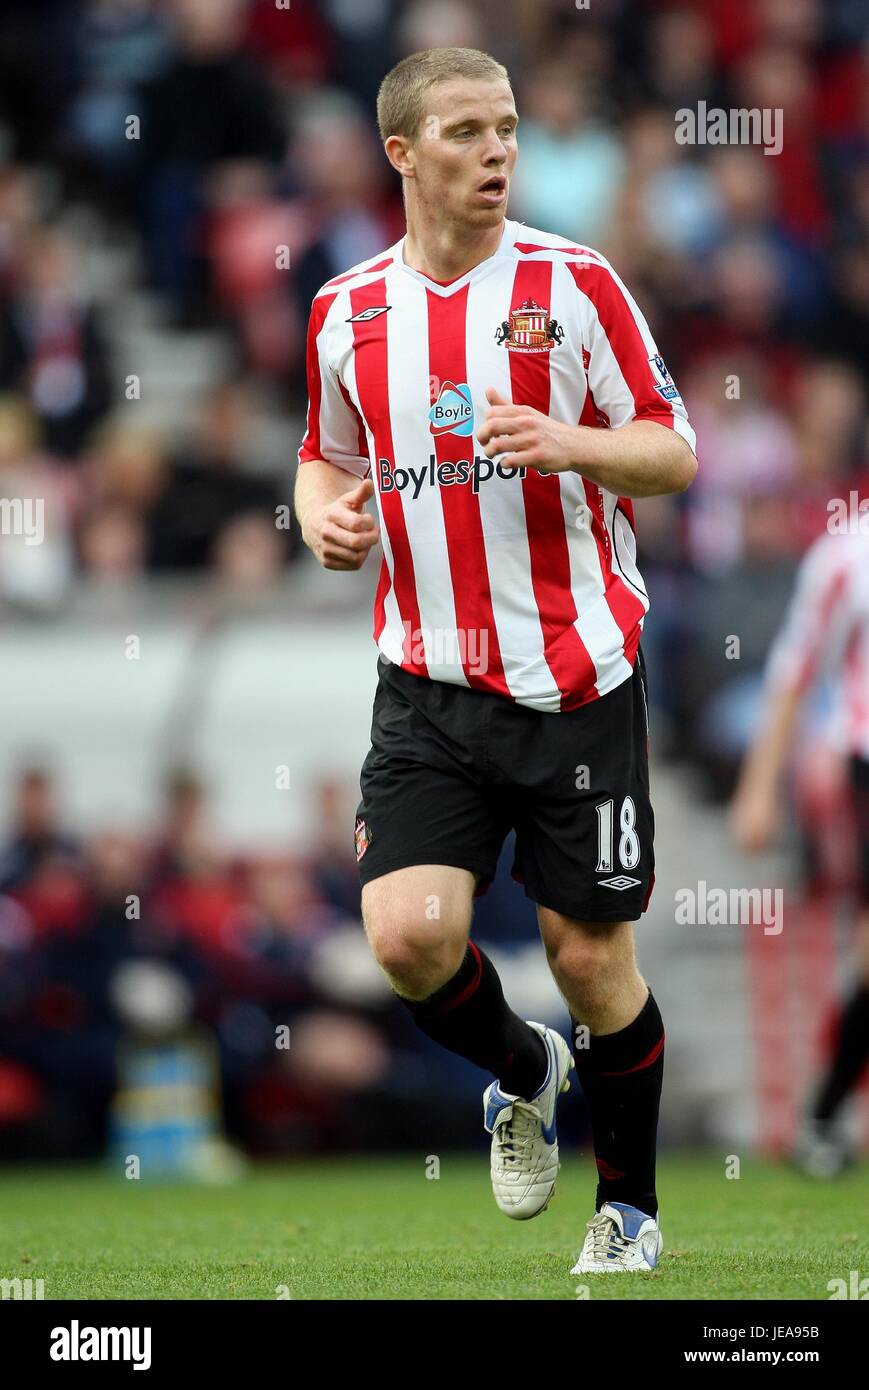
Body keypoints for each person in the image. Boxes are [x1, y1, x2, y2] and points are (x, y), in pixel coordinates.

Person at [294, 47, 697, 1275]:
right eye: (465, 131)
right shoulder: (344, 309)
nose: (496, 151)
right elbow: (326, 452)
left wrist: (573, 443)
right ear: (403, 153)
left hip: (575, 678)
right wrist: (319, 511)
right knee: (409, 935)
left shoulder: (574, 284)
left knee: (587, 956)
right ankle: (525, 1070)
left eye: (507, 129)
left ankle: (625, 1206)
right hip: (426, 682)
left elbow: (673, 451)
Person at [731, 527, 869, 1176]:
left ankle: (822, 1113)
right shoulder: (847, 554)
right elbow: (794, 669)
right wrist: (758, 789)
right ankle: (821, 1114)